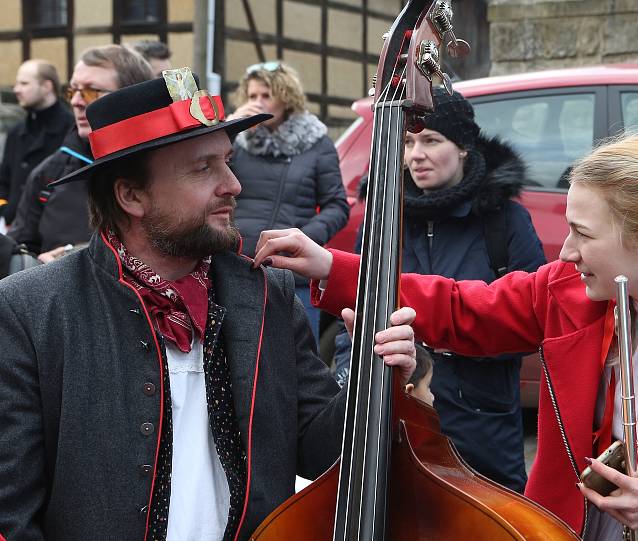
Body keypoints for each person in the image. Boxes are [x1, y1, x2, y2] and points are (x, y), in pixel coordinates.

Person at [253, 134, 638, 541]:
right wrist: (333, 266)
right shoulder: (567, 289)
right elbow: (463, 307)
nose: (564, 251)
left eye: (583, 234)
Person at [0, 69, 416, 540]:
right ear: (131, 195)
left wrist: (374, 376)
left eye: (227, 161)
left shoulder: (265, 294)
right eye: (204, 168)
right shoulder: (32, 310)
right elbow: (11, 512)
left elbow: (320, 452)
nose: (233, 185)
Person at [333, 88, 546, 493]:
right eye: (409, 142)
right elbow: (351, 312)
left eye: (431, 140)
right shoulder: (382, 220)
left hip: (482, 422)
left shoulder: (504, 221)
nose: (416, 154)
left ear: (464, 147)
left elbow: (533, 320)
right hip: (397, 416)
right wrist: (350, 376)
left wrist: (444, 335)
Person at [226, 61, 349, 343]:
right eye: (252, 96)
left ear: (286, 97)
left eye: (266, 95)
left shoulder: (316, 143)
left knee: (297, 356)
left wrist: (302, 238)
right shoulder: (236, 141)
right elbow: (207, 176)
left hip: (294, 272)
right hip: (238, 263)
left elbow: (337, 205)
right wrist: (231, 127)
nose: (257, 103)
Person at [7, 45, 152, 261]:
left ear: (131, 95)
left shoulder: (168, 165)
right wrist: (37, 264)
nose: (76, 101)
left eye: (91, 91)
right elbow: (19, 251)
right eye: (72, 90)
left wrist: (72, 256)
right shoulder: (50, 173)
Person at [0, 60, 72, 225]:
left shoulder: (71, 130)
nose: (16, 89)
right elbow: (3, 182)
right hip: (14, 228)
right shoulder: (16, 132)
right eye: (17, 83)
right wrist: (5, 210)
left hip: (53, 230)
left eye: (24, 83)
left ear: (47, 86)